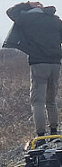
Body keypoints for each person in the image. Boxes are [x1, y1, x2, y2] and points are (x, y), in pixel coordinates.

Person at [4, 1, 62, 142]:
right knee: (51, 100)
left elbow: (10, 11)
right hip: (55, 63)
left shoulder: (27, 19)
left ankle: (41, 136)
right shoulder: (56, 21)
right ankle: (55, 132)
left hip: (38, 64)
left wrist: (27, 4)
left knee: (38, 102)